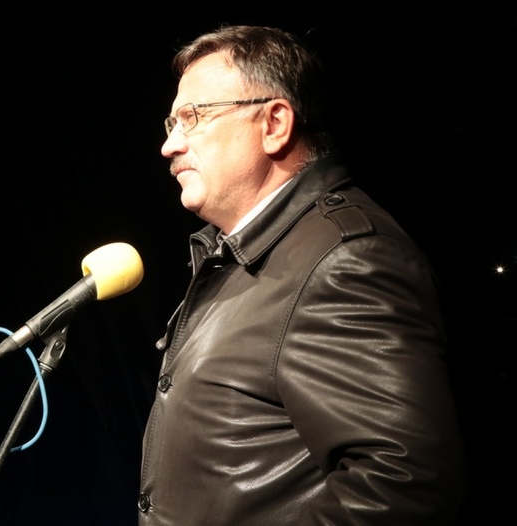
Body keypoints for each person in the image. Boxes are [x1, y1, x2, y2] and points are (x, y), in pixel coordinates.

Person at [138, 25, 464, 525]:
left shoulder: (347, 259)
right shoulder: (245, 252)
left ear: (274, 123)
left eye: (192, 117)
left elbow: (406, 486)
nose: (170, 145)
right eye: (171, 123)